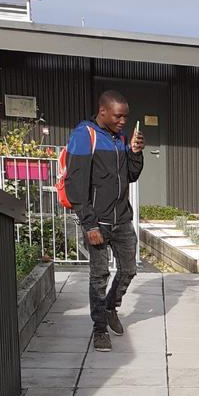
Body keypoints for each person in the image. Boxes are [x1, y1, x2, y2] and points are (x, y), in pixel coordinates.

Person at [65, 89, 144, 352]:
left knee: (129, 270)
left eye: (126, 117)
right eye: (119, 116)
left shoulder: (119, 138)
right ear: (103, 112)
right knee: (99, 276)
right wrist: (89, 224)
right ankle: (99, 330)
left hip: (122, 218)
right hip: (97, 221)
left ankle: (111, 307)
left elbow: (131, 176)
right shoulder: (84, 136)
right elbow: (75, 185)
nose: (123, 121)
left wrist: (134, 152)